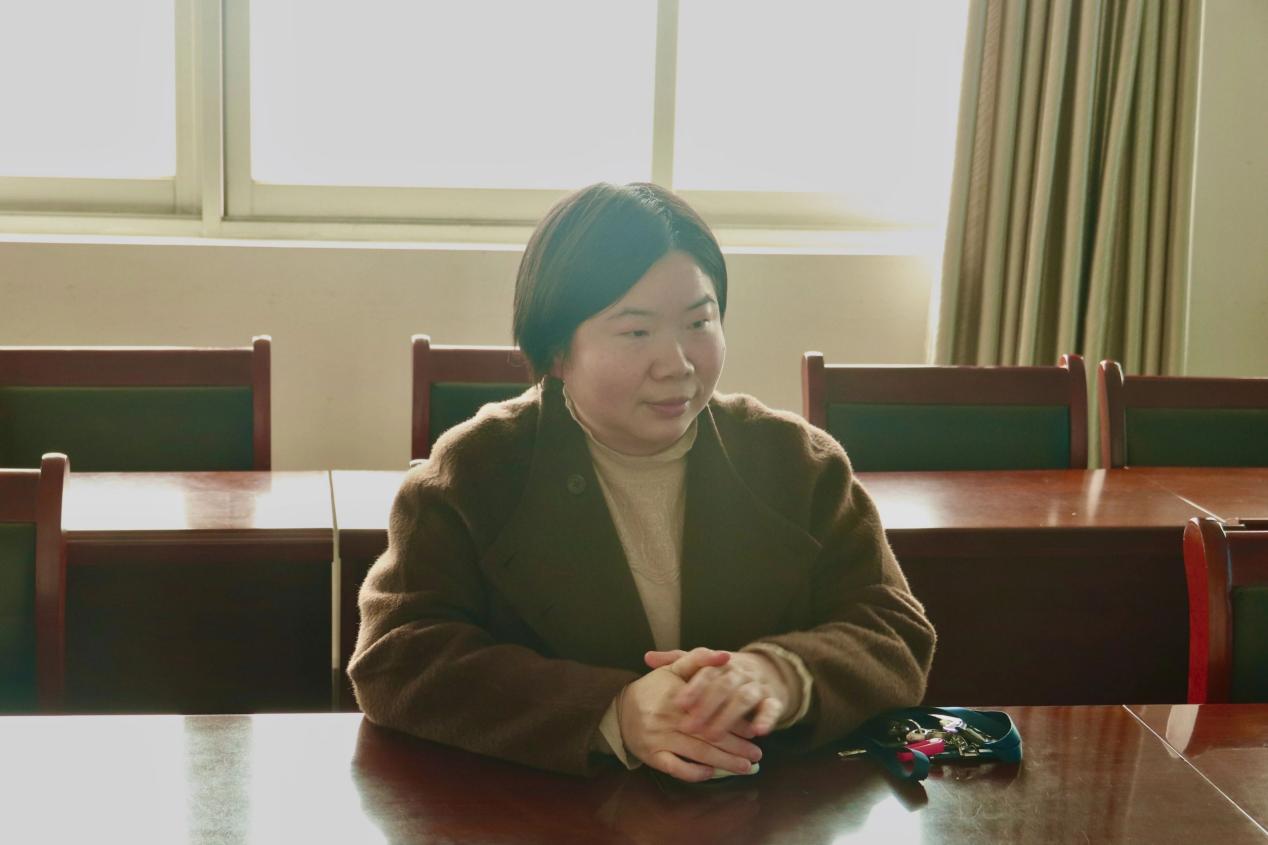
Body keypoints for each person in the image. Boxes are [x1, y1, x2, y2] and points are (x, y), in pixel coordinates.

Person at [349, 182, 935, 781]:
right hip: (544, 806)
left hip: (766, 801)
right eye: (636, 332)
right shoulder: (473, 471)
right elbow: (396, 658)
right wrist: (613, 711)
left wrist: (781, 675)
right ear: (557, 351)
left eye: (699, 322)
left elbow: (893, 630)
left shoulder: (796, 462)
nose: (676, 364)